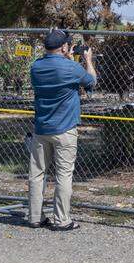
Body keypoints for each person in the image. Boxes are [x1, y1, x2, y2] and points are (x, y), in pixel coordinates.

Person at [27, 29, 96, 230]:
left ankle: (35, 217)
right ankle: (61, 219)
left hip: (41, 128)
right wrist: (88, 60)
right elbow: (91, 81)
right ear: (64, 47)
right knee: (63, 175)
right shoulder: (71, 67)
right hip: (65, 128)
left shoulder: (36, 67)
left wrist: (67, 58)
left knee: (37, 173)